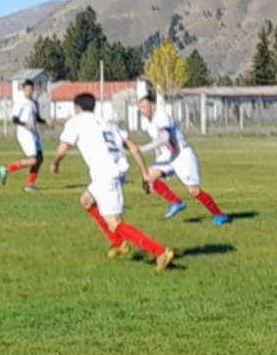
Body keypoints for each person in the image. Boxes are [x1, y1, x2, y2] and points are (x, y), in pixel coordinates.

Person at [50, 92, 176, 272]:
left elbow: (62, 150)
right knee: (86, 201)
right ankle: (118, 243)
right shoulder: (107, 123)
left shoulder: (76, 121)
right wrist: (144, 173)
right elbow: (133, 148)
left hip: (106, 175)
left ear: (77, 108)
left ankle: (160, 251)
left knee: (115, 223)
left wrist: (55, 163)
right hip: (114, 171)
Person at [137, 86, 230, 225]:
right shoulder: (148, 122)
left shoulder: (161, 116)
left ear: (153, 105)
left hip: (182, 155)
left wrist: (143, 149)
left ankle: (219, 214)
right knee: (148, 177)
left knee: (194, 191)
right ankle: (176, 202)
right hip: (169, 156)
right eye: (140, 108)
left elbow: (164, 138)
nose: (141, 110)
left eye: (144, 107)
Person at [0, 80, 45, 191]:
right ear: (24, 90)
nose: (29, 91)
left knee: (39, 158)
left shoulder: (34, 102)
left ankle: (30, 186)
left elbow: (37, 118)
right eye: (27, 89)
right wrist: (25, 125)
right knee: (33, 160)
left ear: (33, 90)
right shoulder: (20, 102)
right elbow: (15, 119)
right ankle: (6, 170)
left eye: (31, 89)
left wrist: (47, 121)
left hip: (34, 133)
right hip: (24, 133)